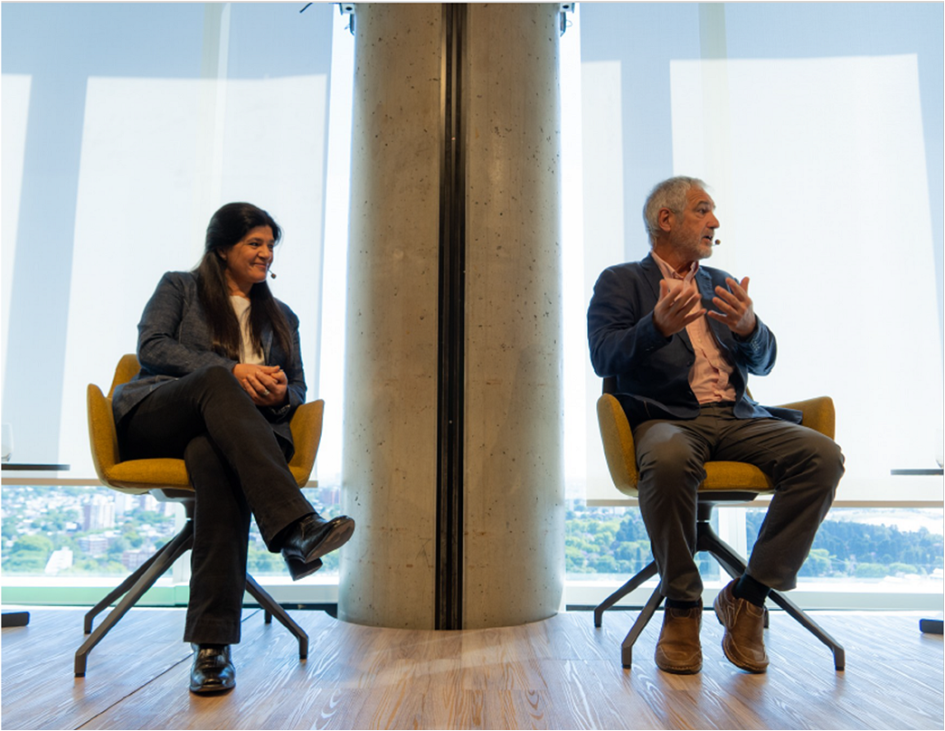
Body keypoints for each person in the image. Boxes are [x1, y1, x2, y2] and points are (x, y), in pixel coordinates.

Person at [586, 176, 844, 675]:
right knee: (667, 457)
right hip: (665, 419)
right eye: (703, 210)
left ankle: (748, 597)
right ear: (667, 219)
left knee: (822, 456)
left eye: (714, 212)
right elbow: (603, 356)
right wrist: (655, 325)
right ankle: (682, 606)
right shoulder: (621, 282)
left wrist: (750, 329)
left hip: (737, 416)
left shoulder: (721, 282)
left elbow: (765, 361)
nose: (715, 222)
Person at [112, 202, 356, 694]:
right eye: (255, 244)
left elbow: (300, 389)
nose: (266, 254)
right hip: (162, 413)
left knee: (213, 459)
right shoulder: (179, 287)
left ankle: (211, 650)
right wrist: (234, 371)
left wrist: (279, 391)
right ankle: (295, 527)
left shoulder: (282, 316)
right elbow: (153, 347)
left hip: (230, 435)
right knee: (218, 382)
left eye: (271, 246)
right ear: (222, 249)